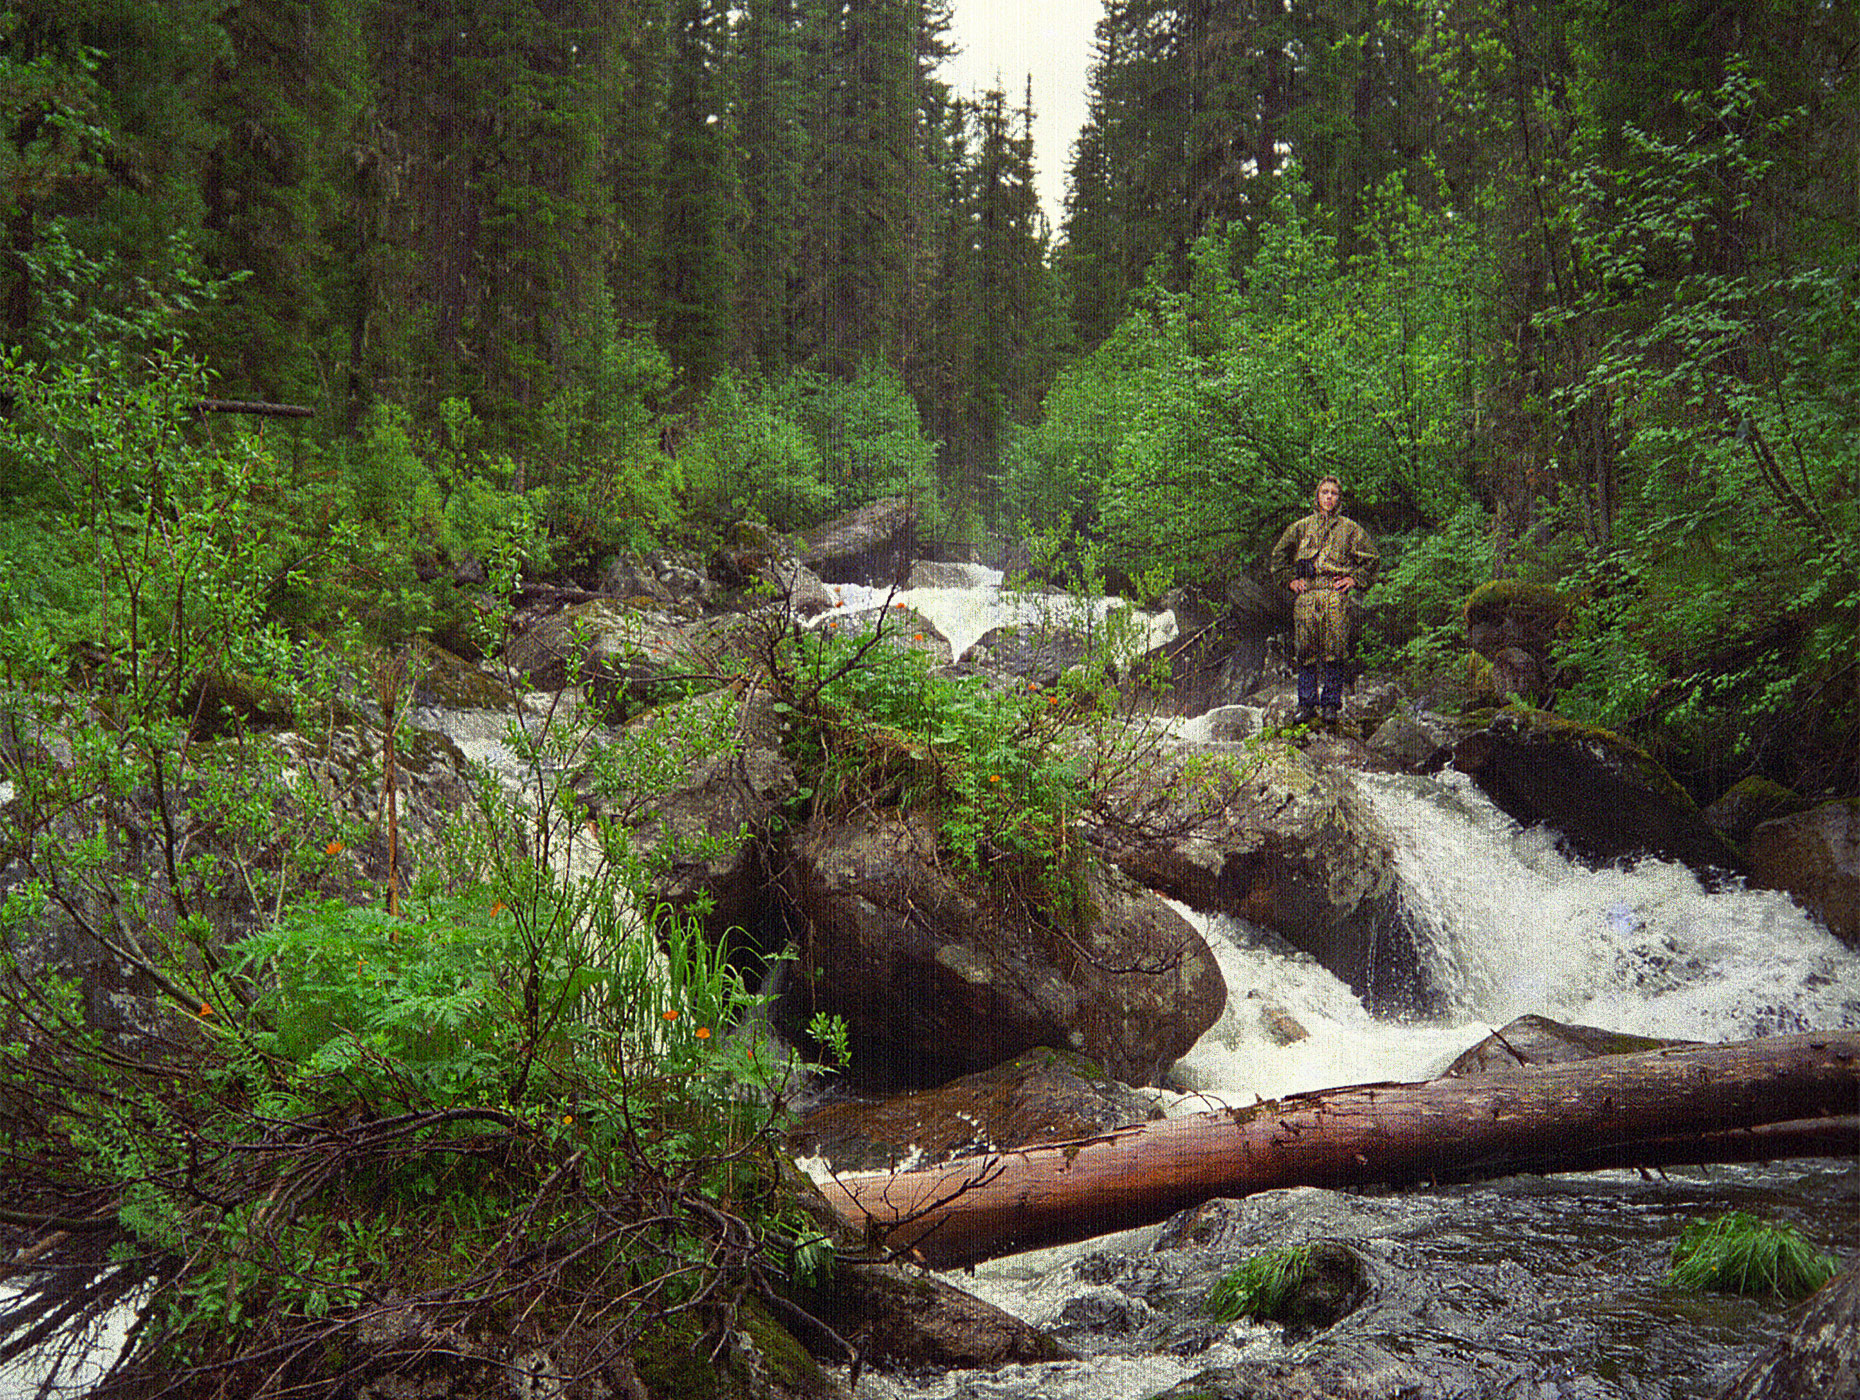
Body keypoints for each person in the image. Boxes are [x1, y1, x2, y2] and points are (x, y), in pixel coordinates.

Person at [1268, 475, 1378, 725]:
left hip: (1334, 595)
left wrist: (1354, 580)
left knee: (1334, 649)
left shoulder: (1350, 529)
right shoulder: (1301, 527)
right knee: (1304, 650)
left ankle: (1330, 704)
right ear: (1317, 497)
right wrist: (1289, 581)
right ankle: (1306, 705)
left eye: (1334, 493)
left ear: (1339, 498)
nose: (1329, 497)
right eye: (1325, 492)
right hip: (1307, 596)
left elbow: (1372, 559)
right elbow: (1278, 557)